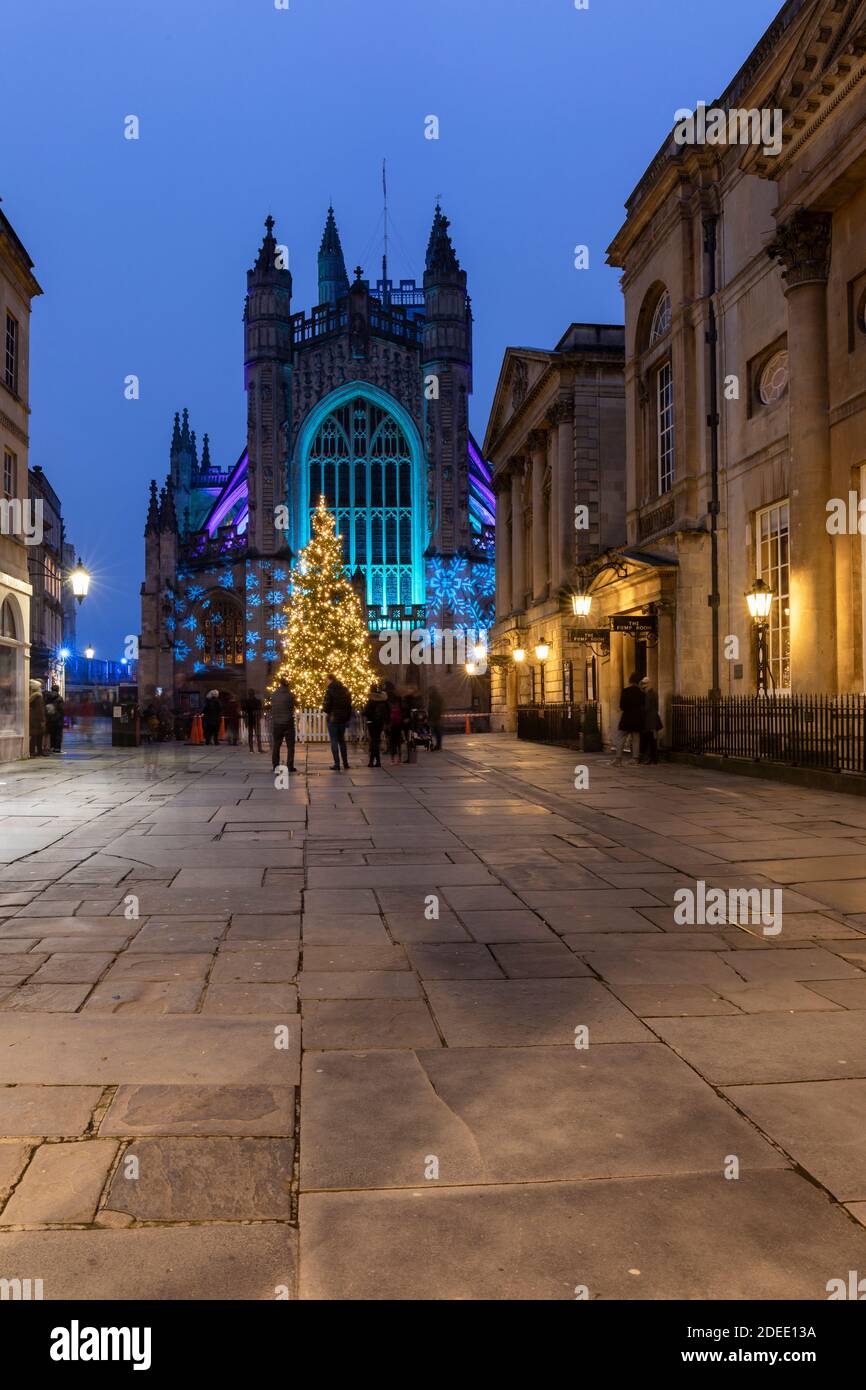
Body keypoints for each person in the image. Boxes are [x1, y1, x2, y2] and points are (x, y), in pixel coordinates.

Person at [610, 672, 644, 767]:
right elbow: (643, 704)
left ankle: (618, 759)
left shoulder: (625, 691)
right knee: (636, 738)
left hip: (627, 717)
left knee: (621, 738)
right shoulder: (641, 693)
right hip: (637, 717)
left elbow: (622, 705)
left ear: (630, 681)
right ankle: (635, 759)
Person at [323, 672, 352, 771]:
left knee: (334, 740)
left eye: (326, 680)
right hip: (343, 719)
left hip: (333, 718)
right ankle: (346, 763)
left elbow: (326, 707)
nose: (325, 682)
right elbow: (349, 706)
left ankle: (337, 764)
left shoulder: (330, 691)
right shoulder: (345, 690)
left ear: (330, 679)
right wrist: (347, 717)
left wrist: (326, 709)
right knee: (342, 740)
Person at [271, 678, 297, 772]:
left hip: (277, 723)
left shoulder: (274, 695)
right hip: (288, 723)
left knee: (276, 745)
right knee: (290, 746)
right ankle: (290, 765)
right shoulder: (290, 695)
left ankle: (275, 765)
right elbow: (295, 705)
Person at [364, 682, 389, 768]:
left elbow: (366, 712)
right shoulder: (383, 699)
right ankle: (377, 761)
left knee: (374, 741)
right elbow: (387, 711)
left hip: (371, 722)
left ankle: (372, 761)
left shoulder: (371, 700)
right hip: (380, 723)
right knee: (376, 741)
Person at [638, 676, 662, 764]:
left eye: (644, 684)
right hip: (654, 718)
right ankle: (654, 758)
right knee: (653, 738)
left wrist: (640, 710)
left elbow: (646, 708)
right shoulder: (654, 693)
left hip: (649, 720)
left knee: (650, 739)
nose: (643, 686)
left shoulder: (648, 694)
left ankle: (652, 758)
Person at [44, 684, 65, 753]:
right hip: (58, 719)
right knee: (58, 734)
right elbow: (62, 709)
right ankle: (57, 748)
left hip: (49, 719)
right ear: (58, 690)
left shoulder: (47, 697)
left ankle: (52, 747)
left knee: (52, 733)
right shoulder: (59, 698)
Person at [28, 680, 46, 757]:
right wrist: (42, 720)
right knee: (38, 735)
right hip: (37, 719)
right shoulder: (39, 696)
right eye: (40, 687)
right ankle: (37, 751)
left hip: (32, 718)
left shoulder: (32, 696)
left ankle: (34, 751)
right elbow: (40, 709)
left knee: (34, 735)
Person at [386, 691, 403, 765]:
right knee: (397, 745)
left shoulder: (392, 710)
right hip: (397, 728)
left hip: (394, 728)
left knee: (393, 744)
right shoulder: (398, 709)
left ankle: (394, 760)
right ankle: (398, 759)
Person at [427, 684, 444, 751]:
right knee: (434, 732)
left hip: (436, 718)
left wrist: (438, 716)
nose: (429, 692)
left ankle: (438, 746)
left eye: (430, 690)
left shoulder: (437, 698)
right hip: (433, 717)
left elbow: (438, 708)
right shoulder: (431, 697)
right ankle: (437, 745)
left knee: (437, 732)